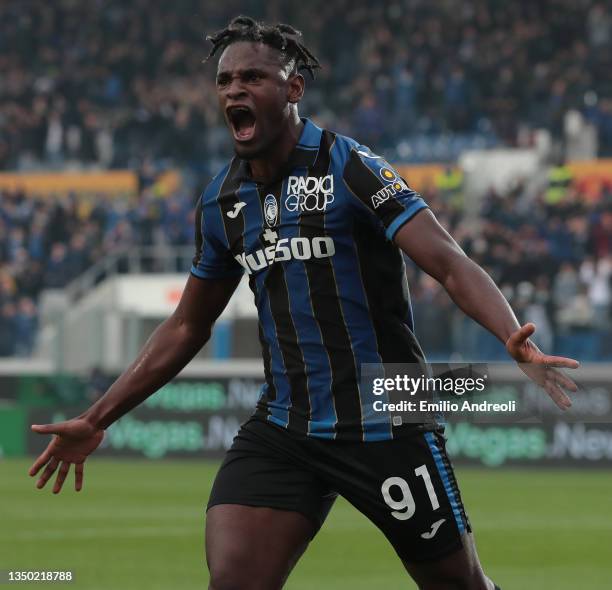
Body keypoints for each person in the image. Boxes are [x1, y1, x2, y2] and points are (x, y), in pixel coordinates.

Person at [29, 16, 579, 590]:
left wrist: (510, 335)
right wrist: (97, 418)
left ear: (293, 88)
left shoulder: (353, 167)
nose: (234, 91)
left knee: (458, 584)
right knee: (235, 580)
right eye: (224, 81)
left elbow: (447, 261)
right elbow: (188, 324)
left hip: (388, 411)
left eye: (252, 78)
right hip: (286, 424)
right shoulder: (221, 201)